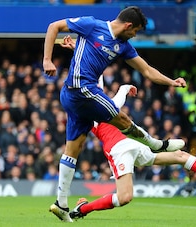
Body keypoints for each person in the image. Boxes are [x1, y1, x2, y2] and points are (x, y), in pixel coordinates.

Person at [43, 6, 187, 222]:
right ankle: (156, 144)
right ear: (128, 25)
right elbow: (54, 26)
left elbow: (147, 70)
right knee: (122, 118)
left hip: (77, 98)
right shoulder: (91, 25)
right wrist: (47, 59)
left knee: (73, 148)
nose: (135, 35)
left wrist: (171, 82)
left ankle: (61, 203)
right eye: (135, 31)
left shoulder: (123, 46)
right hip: (80, 89)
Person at [68, 83, 196, 220]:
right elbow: (109, 96)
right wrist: (123, 89)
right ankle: (82, 209)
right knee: (125, 197)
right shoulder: (88, 115)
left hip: (134, 144)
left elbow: (95, 81)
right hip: (118, 149)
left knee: (180, 155)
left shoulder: (97, 104)